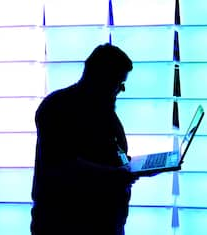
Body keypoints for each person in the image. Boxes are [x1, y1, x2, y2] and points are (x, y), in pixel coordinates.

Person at [31, 43, 137, 235]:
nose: (121, 89)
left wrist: (127, 166)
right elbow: (63, 165)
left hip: (104, 221)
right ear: (101, 79)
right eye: (118, 82)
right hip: (68, 223)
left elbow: (113, 150)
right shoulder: (57, 108)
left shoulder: (103, 109)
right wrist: (117, 175)